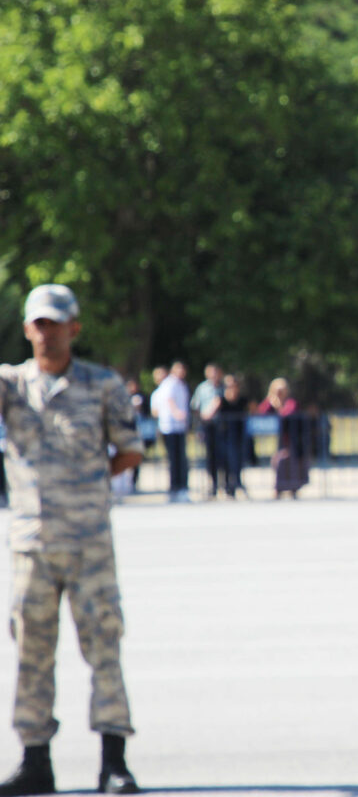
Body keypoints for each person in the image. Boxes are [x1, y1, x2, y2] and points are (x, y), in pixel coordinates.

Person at [0, 285, 143, 795]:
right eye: (38, 323)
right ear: (25, 329)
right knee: (32, 654)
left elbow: (130, 450)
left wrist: (88, 487)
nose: (47, 332)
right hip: (32, 545)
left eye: (56, 323)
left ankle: (114, 762)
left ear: (74, 328)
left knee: (104, 645)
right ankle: (35, 760)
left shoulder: (103, 385)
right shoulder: (11, 385)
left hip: (89, 543)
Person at [257, 378, 308, 499]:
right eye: (276, 390)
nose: (279, 393)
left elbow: (288, 414)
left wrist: (278, 407)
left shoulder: (291, 402)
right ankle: (279, 488)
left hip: (292, 439)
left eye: (281, 390)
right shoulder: (271, 401)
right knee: (279, 461)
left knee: (288, 462)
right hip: (278, 439)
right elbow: (261, 413)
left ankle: (292, 487)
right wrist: (270, 401)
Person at [203, 374, 249, 499]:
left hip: (238, 435)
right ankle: (221, 486)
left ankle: (234, 486)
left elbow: (256, 411)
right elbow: (206, 414)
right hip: (223, 435)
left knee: (237, 461)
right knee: (223, 462)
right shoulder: (220, 399)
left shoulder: (243, 400)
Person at [149, 361, 190, 502]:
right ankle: (175, 487)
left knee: (181, 458)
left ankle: (182, 487)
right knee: (174, 459)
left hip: (179, 426)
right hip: (169, 426)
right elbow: (169, 400)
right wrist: (176, 413)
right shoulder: (170, 384)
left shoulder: (181, 384)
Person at [190, 363, 224, 499]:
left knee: (225, 456)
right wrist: (200, 422)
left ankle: (227, 485)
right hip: (208, 425)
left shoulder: (223, 387)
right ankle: (213, 485)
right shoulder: (202, 388)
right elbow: (195, 406)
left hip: (223, 426)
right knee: (211, 457)